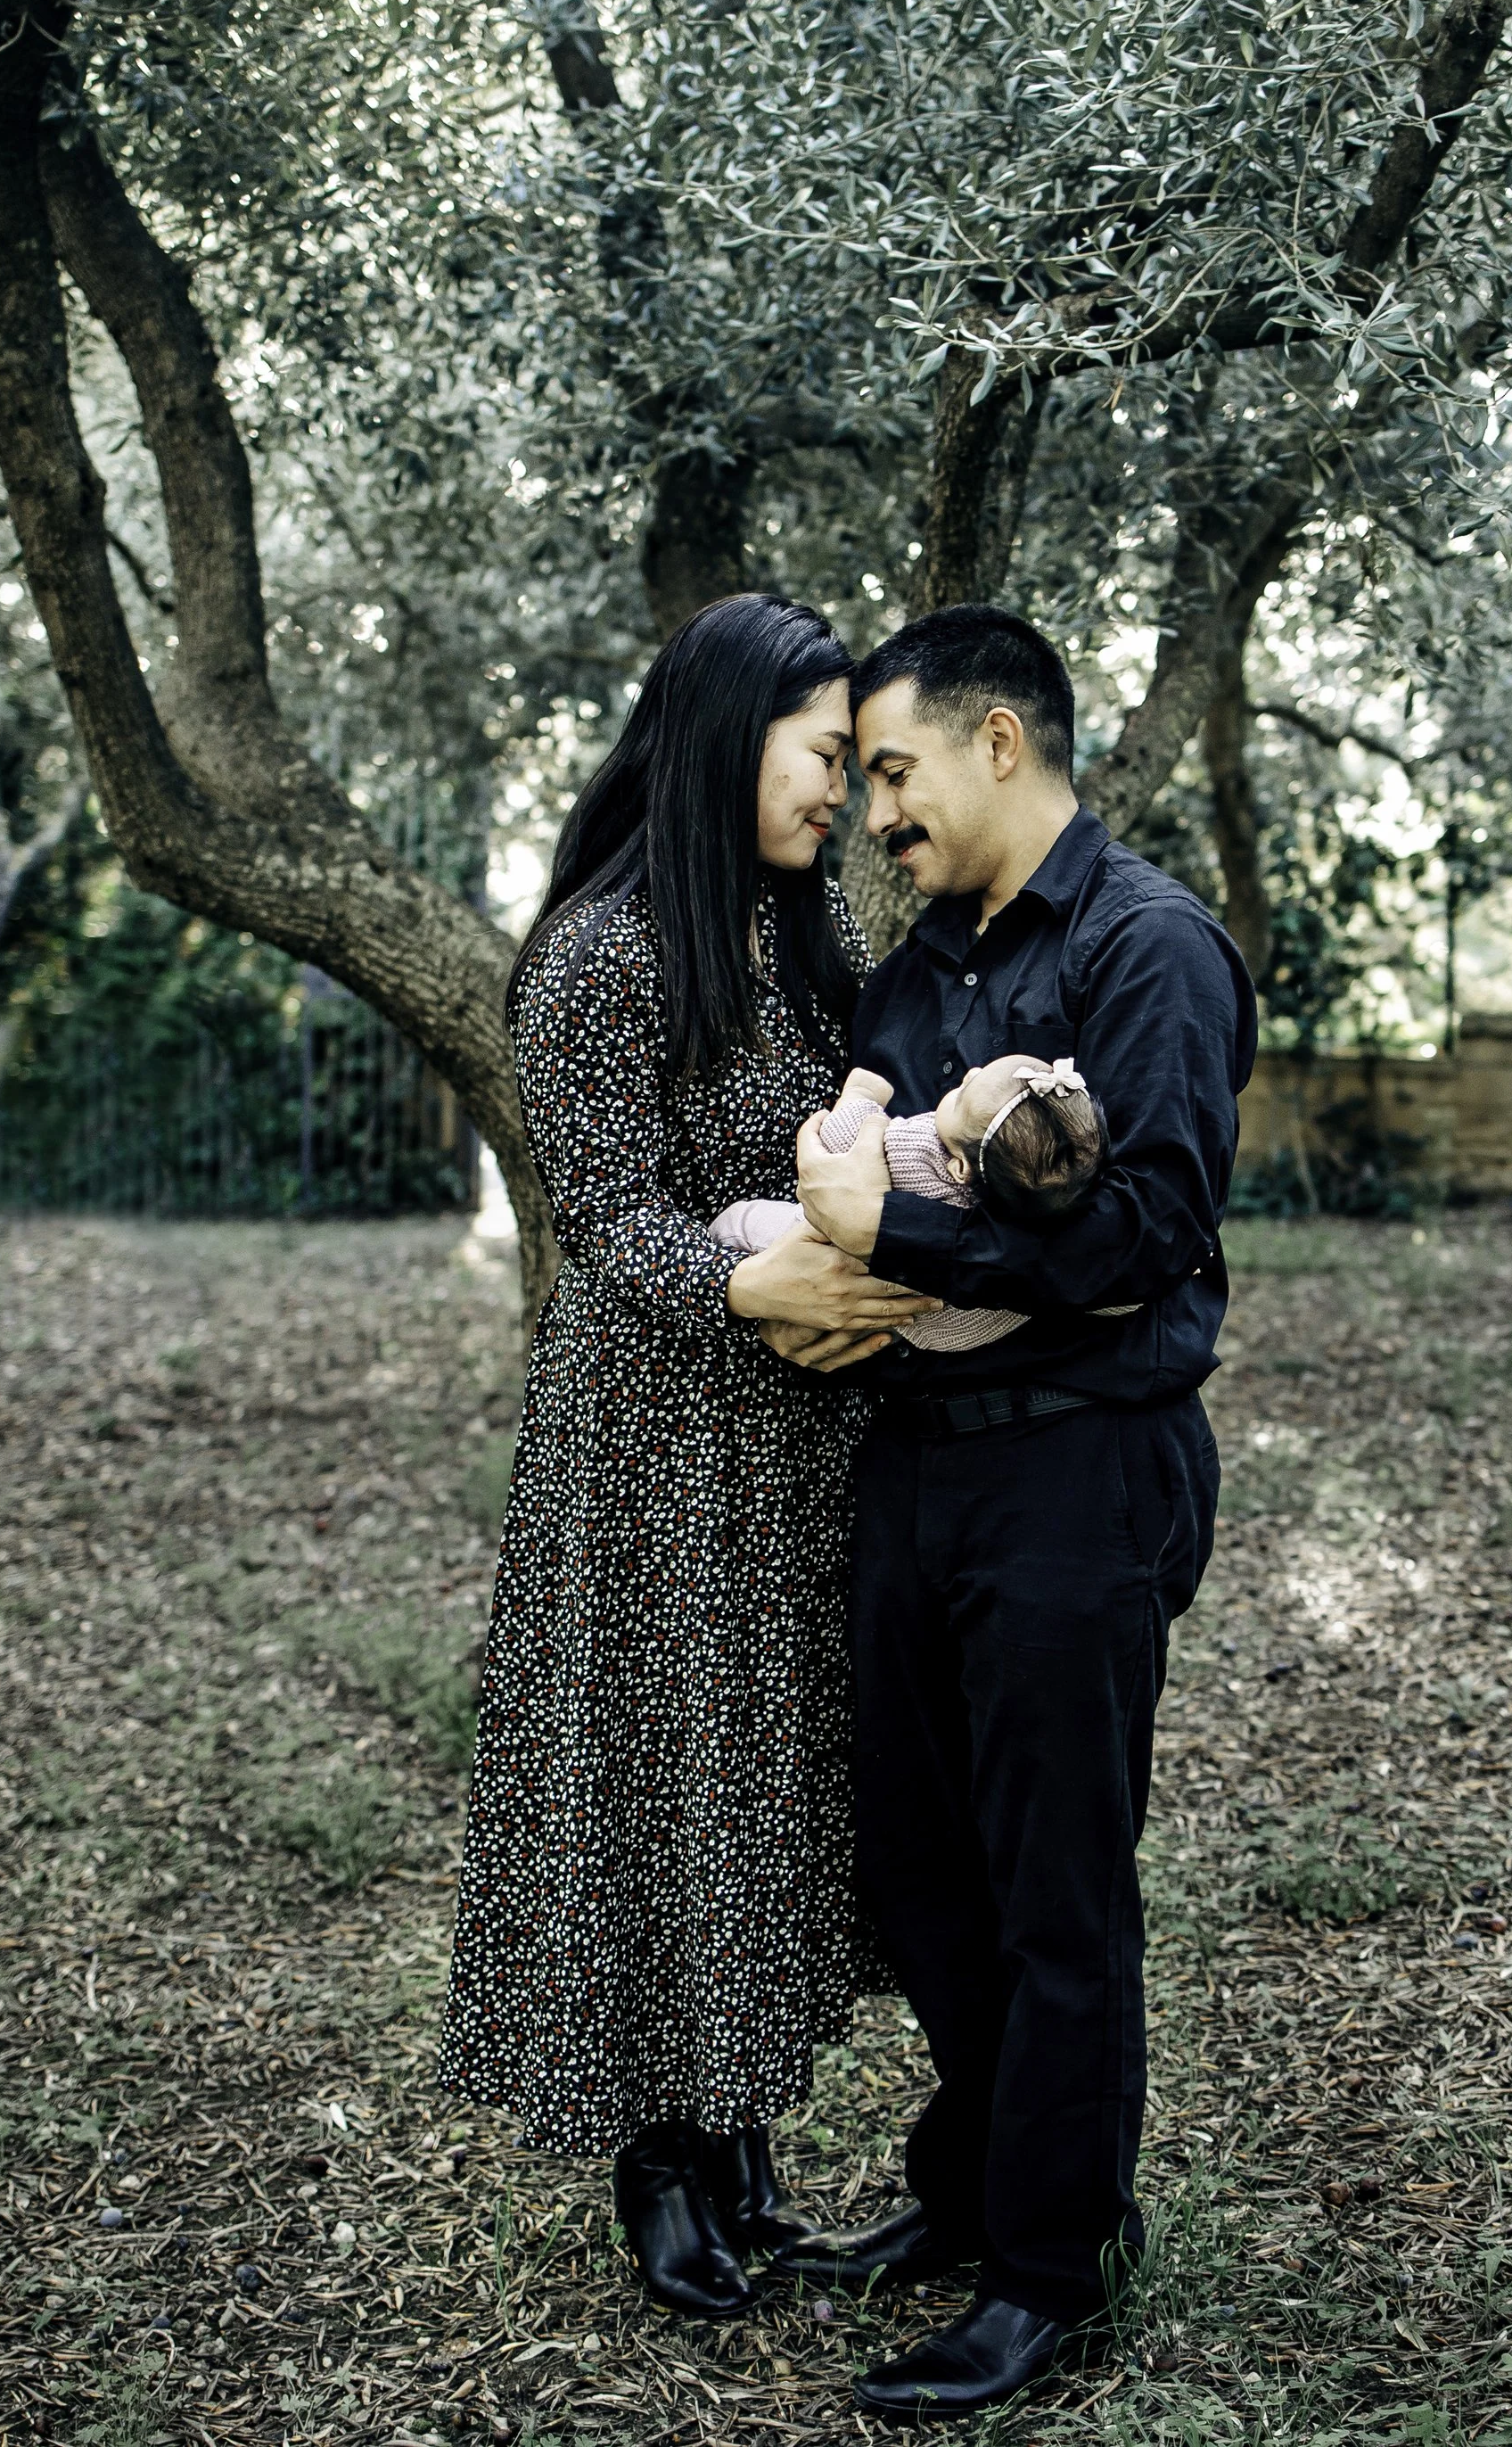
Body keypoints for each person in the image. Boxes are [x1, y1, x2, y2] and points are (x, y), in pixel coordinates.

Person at [438, 595, 939, 2319]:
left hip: (798, 1443)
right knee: (661, 1782)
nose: (843, 794)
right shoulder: (600, 956)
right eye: (824, 756)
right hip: (653, 1446)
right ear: (731, 738)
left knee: (764, 1785)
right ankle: (660, 2152)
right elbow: (603, 1214)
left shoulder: (806, 932)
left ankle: (741, 2126)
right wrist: (751, 1282)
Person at [785, 605, 1257, 2421]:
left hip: (1076, 1469)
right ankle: (972, 2192)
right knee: (922, 1874)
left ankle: (1051, 2265)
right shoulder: (919, 965)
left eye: (893, 771)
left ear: (999, 741)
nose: (876, 812)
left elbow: (1141, 1235)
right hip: (911, 1466)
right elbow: (868, 1158)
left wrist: (887, 1234)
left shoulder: (1150, 948)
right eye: (860, 782)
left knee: (1055, 1889)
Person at [708, 1052, 1124, 1351]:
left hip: (834, 1259)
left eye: (962, 1093)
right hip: (949, 1326)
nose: (970, 1072)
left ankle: (720, 1240)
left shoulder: (923, 1151)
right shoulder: (1041, 1218)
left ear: (960, 1168)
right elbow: (1114, 1296)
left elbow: (844, 1143)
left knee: (747, 1220)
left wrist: (860, 1095)